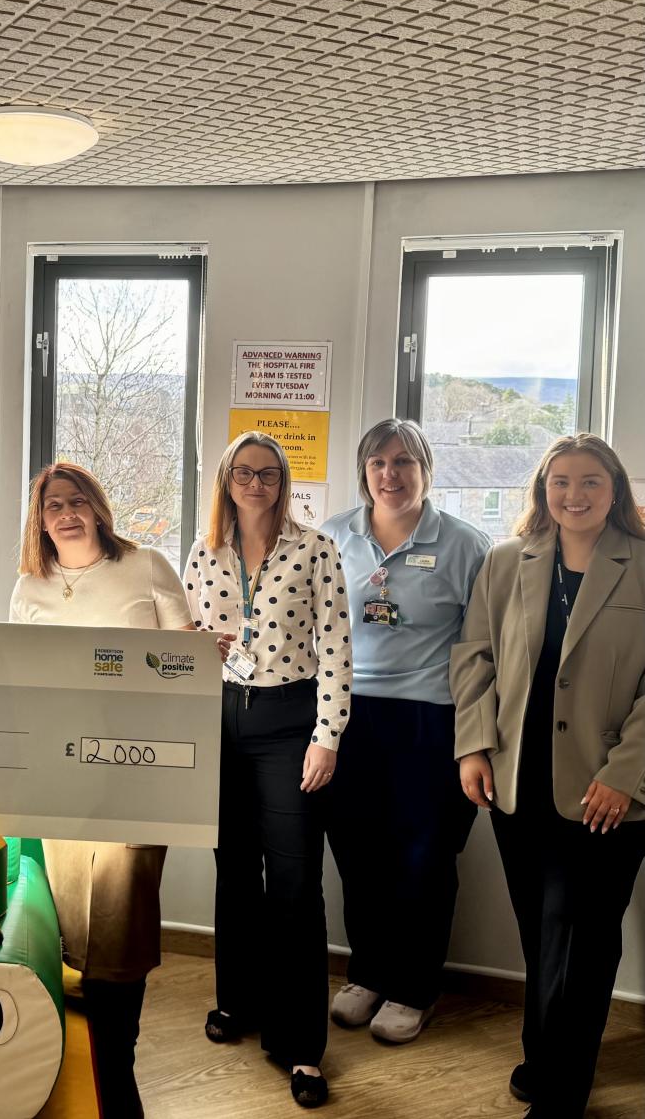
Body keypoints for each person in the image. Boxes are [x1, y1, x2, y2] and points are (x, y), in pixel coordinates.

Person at [10, 461, 217, 1119]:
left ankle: (117, 1070)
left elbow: (184, 657)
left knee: (122, 920)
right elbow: (18, 679)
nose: (67, 513)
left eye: (77, 501)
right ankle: (83, 1068)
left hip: (138, 769)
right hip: (62, 773)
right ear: (40, 521)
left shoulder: (146, 565)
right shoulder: (29, 586)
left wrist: (200, 656)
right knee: (71, 921)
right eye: (53, 505)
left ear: (98, 508)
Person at [452, 432, 645, 1119]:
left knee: (583, 942)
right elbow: (473, 657)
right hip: (519, 782)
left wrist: (625, 773)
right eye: (560, 481)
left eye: (590, 481)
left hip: (608, 792)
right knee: (542, 935)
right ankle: (543, 1058)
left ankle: (561, 1095)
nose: (574, 494)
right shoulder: (508, 561)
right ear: (542, 490)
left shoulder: (641, 564)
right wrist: (474, 747)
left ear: (615, 490)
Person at [183, 431, 351, 1109]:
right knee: (233, 871)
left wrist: (326, 737)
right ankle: (238, 1001)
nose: (256, 484)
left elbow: (336, 646)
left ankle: (299, 1042)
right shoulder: (205, 551)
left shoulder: (315, 548)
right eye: (244, 473)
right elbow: (186, 637)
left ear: (283, 482)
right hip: (221, 716)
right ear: (227, 480)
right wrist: (197, 645)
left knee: (294, 882)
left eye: (269, 474)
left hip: (290, 722)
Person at [320, 419, 491, 1043]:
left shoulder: (465, 545)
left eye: (403, 462)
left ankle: (414, 987)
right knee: (358, 855)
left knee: (424, 859)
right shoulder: (333, 535)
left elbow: (482, 649)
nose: (389, 474)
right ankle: (368, 973)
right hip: (348, 716)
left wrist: (475, 740)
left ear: (425, 470)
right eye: (378, 463)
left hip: (431, 719)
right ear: (364, 472)